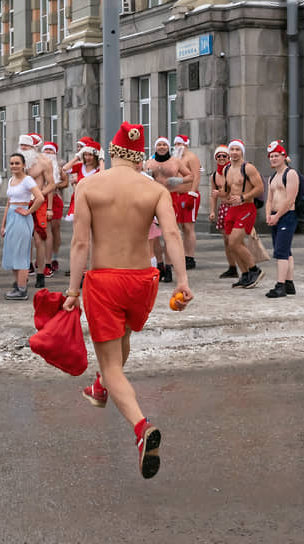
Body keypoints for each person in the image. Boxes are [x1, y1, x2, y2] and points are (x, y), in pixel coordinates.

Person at [64, 121, 193, 479]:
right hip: (142, 280)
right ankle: (101, 386)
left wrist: (73, 291)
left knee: (111, 363)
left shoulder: (89, 185)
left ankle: (141, 428)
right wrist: (181, 281)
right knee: (121, 341)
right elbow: (171, 234)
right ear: (139, 156)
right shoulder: (154, 191)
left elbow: (80, 244)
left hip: (105, 280)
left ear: (110, 151)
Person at [144, 137, 191, 281]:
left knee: (170, 232)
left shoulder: (175, 161)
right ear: (155, 147)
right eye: (159, 144)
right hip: (153, 198)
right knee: (154, 235)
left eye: (165, 144)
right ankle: (160, 264)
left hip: (171, 197)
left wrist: (179, 180)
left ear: (168, 147)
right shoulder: (149, 163)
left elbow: (191, 176)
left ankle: (169, 266)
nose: (162, 147)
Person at [1, 152, 45, 300]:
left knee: (21, 253)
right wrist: (3, 224)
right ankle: (18, 284)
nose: (14, 166)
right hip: (12, 218)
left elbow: (40, 198)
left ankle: (22, 289)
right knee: (12, 252)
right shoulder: (11, 180)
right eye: (12, 163)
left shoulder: (28, 180)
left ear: (24, 165)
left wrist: (28, 211)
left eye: (17, 163)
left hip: (22, 218)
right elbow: (8, 203)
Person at [223, 139, 265, 288]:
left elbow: (259, 188)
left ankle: (255, 270)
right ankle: (245, 274)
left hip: (246, 207)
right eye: (232, 149)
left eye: (237, 150)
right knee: (232, 244)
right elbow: (228, 190)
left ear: (242, 152)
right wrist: (220, 194)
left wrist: (243, 197)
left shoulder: (248, 168)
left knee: (234, 241)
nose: (234, 152)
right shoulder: (226, 169)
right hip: (232, 208)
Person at [18, 134, 56, 289]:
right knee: (23, 240)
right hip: (21, 202)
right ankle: (24, 274)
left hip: (39, 203)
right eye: (21, 145)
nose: (23, 148)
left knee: (39, 239)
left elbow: (52, 184)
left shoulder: (44, 162)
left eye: (26, 146)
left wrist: (48, 206)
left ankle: (41, 274)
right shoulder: (17, 161)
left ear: (33, 147)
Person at [264, 140, 299, 298]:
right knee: (286, 251)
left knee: (281, 252)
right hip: (275, 216)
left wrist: (277, 216)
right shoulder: (273, 177)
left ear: (284, 156)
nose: (273, 159)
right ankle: (289, 283)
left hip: (287, 216)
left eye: (276, 155)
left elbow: (290, 200)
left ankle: (280, 285)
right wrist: (268, 215)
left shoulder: (290, 174)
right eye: (271, 156)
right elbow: (269, 199)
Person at [208, 145, 240, 279]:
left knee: (234, 240)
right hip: (223, 208)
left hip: (235, 207)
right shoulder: (214, 175)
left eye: (224, 156)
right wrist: (212, 211)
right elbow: (213, 195)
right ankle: (232, 267)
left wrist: (221, 193)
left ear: (228, 158)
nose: (221, 158)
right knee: (226, 240)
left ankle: (245, 267)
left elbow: (233, 190)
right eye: (219, 156)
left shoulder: (232, 172)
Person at [173, 134, 202, 270]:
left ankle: (190, 257)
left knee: (188, 227)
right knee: (180, 227)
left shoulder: (191, 157)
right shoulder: (175, 159)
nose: (178, 147)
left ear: (186, 145)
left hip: (188, 194)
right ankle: (181, 255)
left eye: (180, 144)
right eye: (176, 144)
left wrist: (192, 193)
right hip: (177, 195)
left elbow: (196, 176)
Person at [42, 142, 68, 276]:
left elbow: (66, 181)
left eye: (50, 150)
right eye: (46, 149)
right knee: (42, 231)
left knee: (54, 229)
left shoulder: (58, 167)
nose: (48, 152)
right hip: (41, 199)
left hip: (55, 200)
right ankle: (44, 258)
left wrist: (56, 185)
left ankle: (54, 257)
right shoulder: (38, 165)